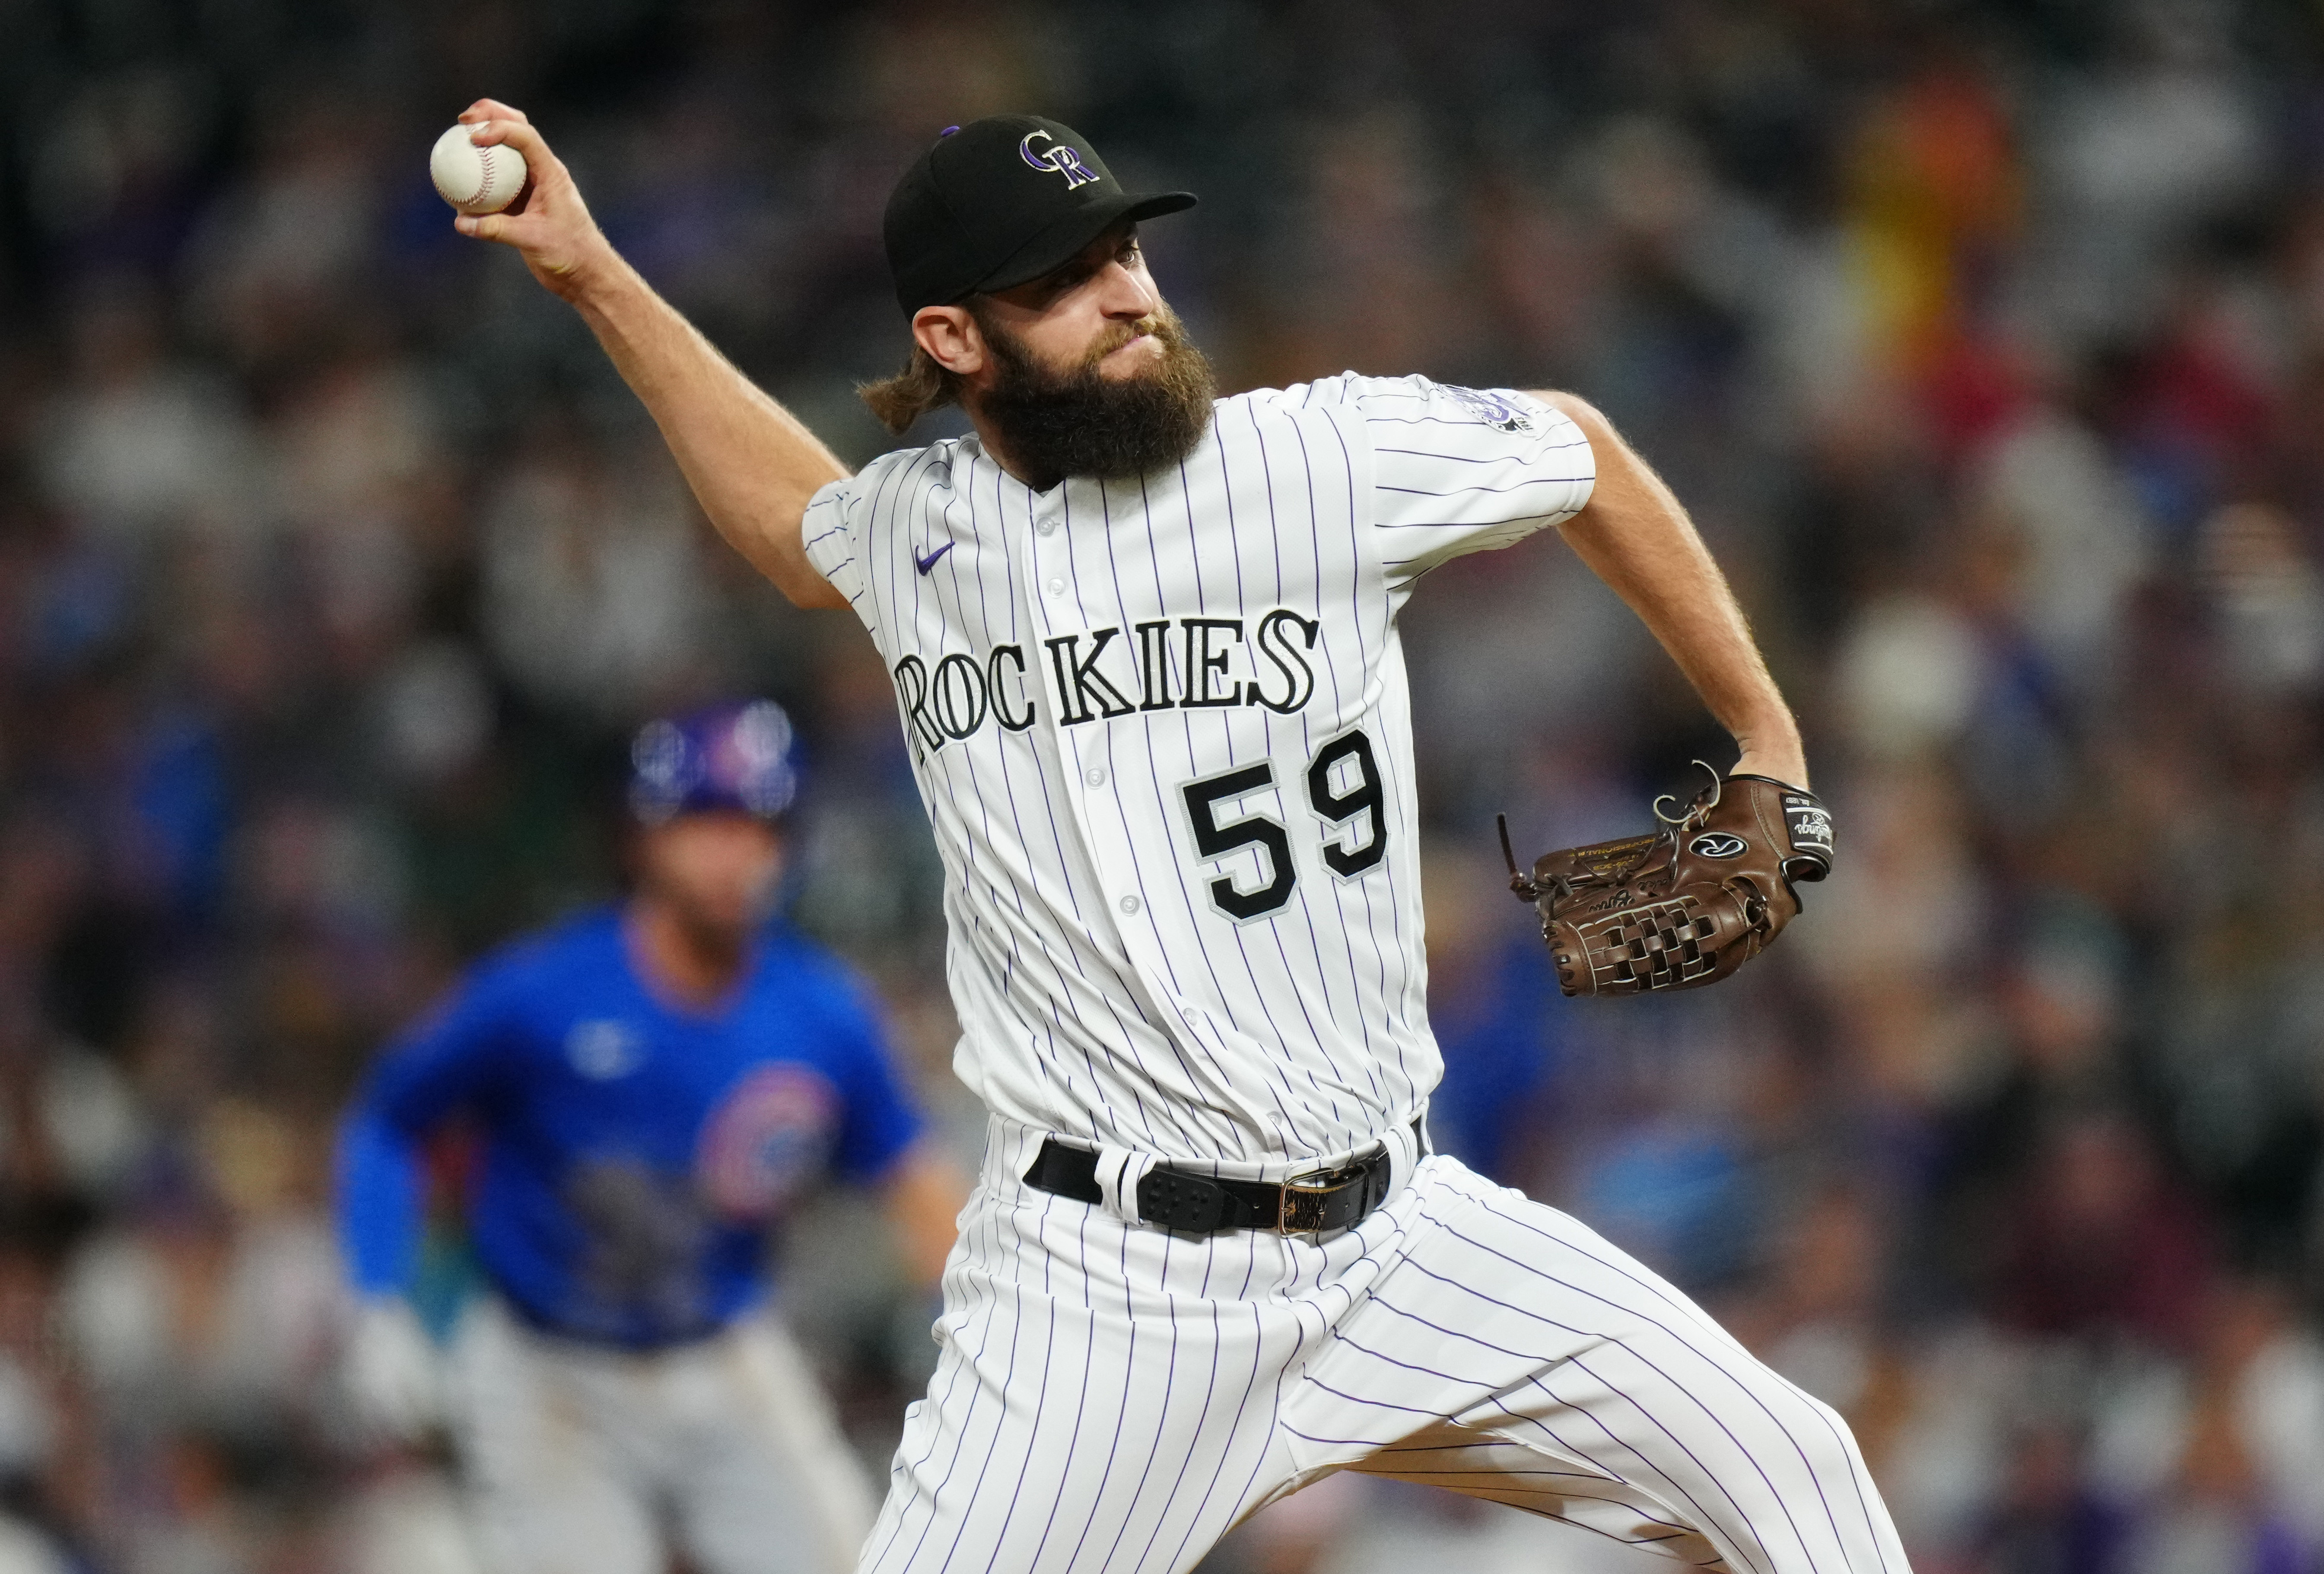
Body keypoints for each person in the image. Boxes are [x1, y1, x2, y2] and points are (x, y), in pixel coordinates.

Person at [443, 102, 1912, 1574]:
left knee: (1796, 1473)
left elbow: (1580, 453)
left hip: (1402, 1239)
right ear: (955, 339)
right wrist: (594, 277)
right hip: (1103, 1295)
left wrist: (1764, 733)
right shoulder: (917, 533)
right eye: (1066, 279)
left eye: (1126, 250)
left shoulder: (1315, 459)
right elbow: (787, 522)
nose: (1131, 292)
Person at [335, 698, 966, 1574]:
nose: (732, 852)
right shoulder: (544, 993)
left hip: (723, 1348)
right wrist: (377, 1292)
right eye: (703, 821)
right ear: (641, 837)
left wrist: (986, 1321)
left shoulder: (822, 1015)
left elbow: (915, 1180)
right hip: (546, 1364)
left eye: (758, 824)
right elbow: (388, 1120)